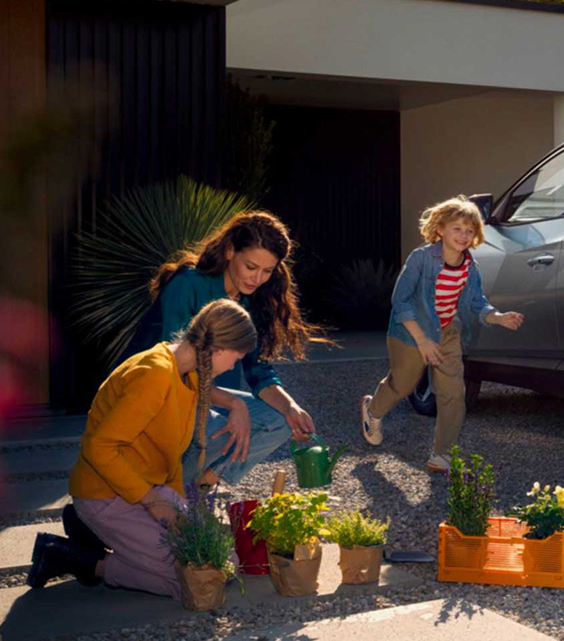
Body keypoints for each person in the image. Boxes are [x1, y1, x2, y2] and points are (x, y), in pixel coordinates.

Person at [27, 299, 257, 598]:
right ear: (219, 348)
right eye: (236, 358)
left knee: (223, 566)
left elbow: (172, 455)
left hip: (149, 490)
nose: (233, 366)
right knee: (191, 581)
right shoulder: (154, 373)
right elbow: (100, 448)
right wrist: (154, 504)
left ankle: (103, 539)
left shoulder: (188, 374)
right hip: (106, 495)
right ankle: (75, 558)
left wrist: (175, 505)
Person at [123, 211, 323, 489]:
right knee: (213, 429)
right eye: (251, 267)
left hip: (206, 397)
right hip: (160, 395)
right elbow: (176, 371)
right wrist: (234, 403)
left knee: (278, 421)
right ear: (230, 251)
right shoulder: (187, 284)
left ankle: (204, 484)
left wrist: (291, 408)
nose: (258, 279)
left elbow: (259, 370)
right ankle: (174, 495)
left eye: (267, 271)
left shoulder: (254, 298)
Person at [359, 196, 523, 470]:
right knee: (404, 384)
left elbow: (475, 302)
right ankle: (372, 410)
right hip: (410, 331)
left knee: (452, 394)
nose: (464, 235)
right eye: (457, 228)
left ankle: (442, 454)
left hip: (446, 331)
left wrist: (498, 317)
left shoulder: (470, 268)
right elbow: (401, 301)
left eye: (470, 230)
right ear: (440, 229)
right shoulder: (421, 259)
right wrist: (422, 341)